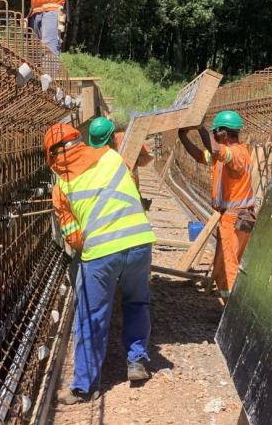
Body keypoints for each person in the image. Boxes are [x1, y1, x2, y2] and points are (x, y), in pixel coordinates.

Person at [45, 123, 155, 404]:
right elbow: (131, 190)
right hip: (140, 241)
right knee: (136, 301)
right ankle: (137, 361)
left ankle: (84, 386)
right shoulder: (111, 156)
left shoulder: (61, 186)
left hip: (103, 252)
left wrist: (92, 245)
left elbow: (74, 238)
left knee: (91, 317)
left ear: (52, 155)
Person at [177, 111, 254, 303]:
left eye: (215, 132)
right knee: (221, 270)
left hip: (235, 219)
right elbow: (200, 156)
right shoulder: (222, 156)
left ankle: (233, 315)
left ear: (224, 134)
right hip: (231, 218)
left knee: (230, 268)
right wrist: (182, 136)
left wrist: (201, 127)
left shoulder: (236, 153)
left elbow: (216, 150)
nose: (213, 136)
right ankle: (226, 307)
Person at [87, 116, 154, 193]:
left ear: (112, 136)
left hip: (131, 188)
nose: (102, 147)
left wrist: (136, 161)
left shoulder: (127, 139)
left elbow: (148, 157)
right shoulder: (93, 151)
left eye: (105, 143)